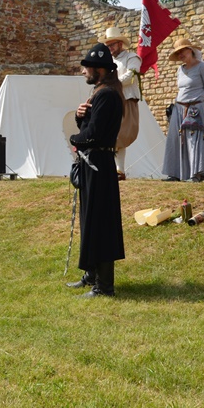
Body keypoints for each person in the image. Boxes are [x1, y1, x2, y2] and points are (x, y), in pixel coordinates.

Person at [66, 43, 125, 297]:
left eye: (86, 67)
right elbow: (89, 128)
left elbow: (95, 135)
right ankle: (92, 275)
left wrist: (74, 138)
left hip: (99, 164)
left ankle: (104, 286)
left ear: (99, 69)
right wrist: (80, 118)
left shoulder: (107, 95)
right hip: (94, 163)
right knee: (91, 220)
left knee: (100, 223)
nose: (83, 72)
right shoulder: (101, 93)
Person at [161, 39, 204, 182]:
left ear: (190, 50)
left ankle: (195, 174)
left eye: (182, 51)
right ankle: (176, 173)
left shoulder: (202, 67)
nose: (180, 55)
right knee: (176, 140)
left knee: (194, 140)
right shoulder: (180, 69)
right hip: (179, 108)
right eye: (178, 53)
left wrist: (197, 103)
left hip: (194, 108)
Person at [101, 26, 142, 180]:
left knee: (121, 134)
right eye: (108, 45)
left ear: (120, 43)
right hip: (112, 100)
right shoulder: (108, 61)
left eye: (112, 45)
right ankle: (115, 170)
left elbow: (132, 75)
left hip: (126, 99)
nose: (110, 48)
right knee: (111, 134)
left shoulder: (132, 57)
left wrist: (113, 84)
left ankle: (119, 170)